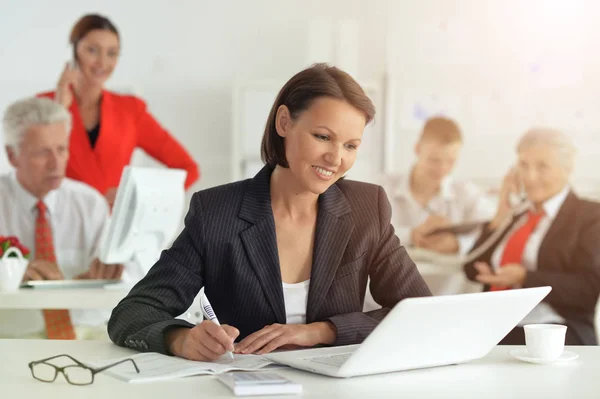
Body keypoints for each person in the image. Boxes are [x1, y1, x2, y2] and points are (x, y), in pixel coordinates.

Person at [108, 64, 431, 360]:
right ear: (284, 122)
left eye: (350, 145)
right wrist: (181, 339)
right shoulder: (217, 213)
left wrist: (321, 331)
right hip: (246, 387)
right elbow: (133, 312)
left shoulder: (366, 207)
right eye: (323, 137)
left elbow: (419, 312)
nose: (336, 158)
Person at [0, 97, 143, 340]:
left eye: (62, 149)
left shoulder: (88, 202)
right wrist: (9, 275)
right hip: (13, 335)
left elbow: (132, 272)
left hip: (89, 333)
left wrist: (111, 272)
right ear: (13, 156)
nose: (56, 164)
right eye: (43, 152)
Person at [38, 14, 199, 208]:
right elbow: (29, 169)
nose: (102, 62)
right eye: (92, 50)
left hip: (111, 229)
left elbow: (188, 169)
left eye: (112, 53)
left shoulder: (131, 111)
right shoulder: (45, 105)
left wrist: (137, 194)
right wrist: (59, 110)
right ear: (74, 50)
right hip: (56, 225)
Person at [464, 127, 600, 345]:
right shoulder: (516, 215)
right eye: (523, 166)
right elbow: (470, 268)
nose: (529, 176)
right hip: (497, 322)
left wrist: (524, 277)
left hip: (556, 327)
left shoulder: (590, 215)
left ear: (568, 169)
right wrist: (500, 213)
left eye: (542, 167)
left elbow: (587, 290)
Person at [384, 117, 495, 254]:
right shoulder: (383, 187)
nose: (442, 168)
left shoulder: (466, 192)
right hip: (394, 274)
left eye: (450, 161)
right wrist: (411, 235)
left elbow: (490, 234)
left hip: (447, 275)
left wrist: (457, 243)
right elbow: (367, 235)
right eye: (434, 160)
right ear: (417, 149)